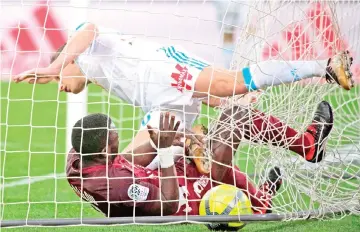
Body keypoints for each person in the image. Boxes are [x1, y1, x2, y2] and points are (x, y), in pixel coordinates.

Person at [14, 22, 346, 168]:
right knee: (131, 165)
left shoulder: (85, 49)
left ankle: (324, 66)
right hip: (160, 103)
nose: (58, 86)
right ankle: (302, 146)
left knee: (231, 84)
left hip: (162, 67)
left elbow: (88, 29)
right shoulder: (102, 77)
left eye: (58, 79)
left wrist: (55, 65)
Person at [66, 111, 283, 216]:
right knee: (237, 119)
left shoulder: (80, 155)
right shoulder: (119, 186)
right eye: (115, 138)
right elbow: (169, 204)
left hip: (165, 177)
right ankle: (263, 200)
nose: (118, 138)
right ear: (104, 152)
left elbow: (125, 159)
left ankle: (260, 197)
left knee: (208, 143)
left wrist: (161, 140)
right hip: (185, 202)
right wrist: (164, 150)